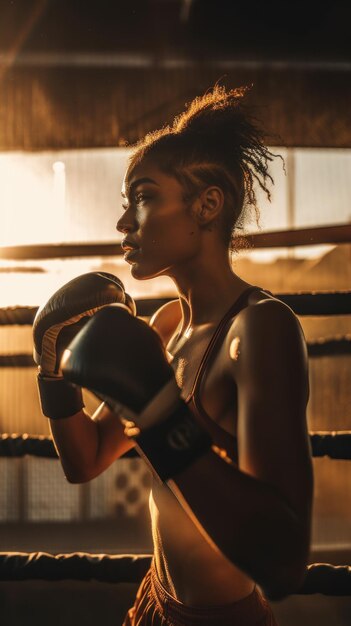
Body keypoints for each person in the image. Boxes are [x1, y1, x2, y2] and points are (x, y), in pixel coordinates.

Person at [33, 85, 313, 626]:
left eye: (142, 197)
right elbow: (85, 459)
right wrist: (54, 377)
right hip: (155, 605)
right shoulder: (165, 326)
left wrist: (159, 416)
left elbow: (282, 561)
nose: (123, 223)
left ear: (206, 205)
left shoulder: (260, 330)